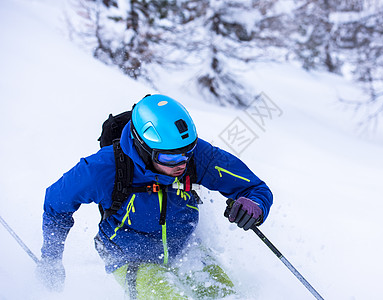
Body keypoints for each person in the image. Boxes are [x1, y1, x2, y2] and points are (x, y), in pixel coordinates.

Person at [36, 94, 273, 299]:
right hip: (130, 258)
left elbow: (255, 188)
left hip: (186, 248)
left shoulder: (192, 155)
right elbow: (56, 204)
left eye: (187, 154)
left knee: (227, 297)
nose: (181, 164)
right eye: (169, 159)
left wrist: (254, 204)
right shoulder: (102, 168)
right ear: (143, 147)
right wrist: (51, 259)